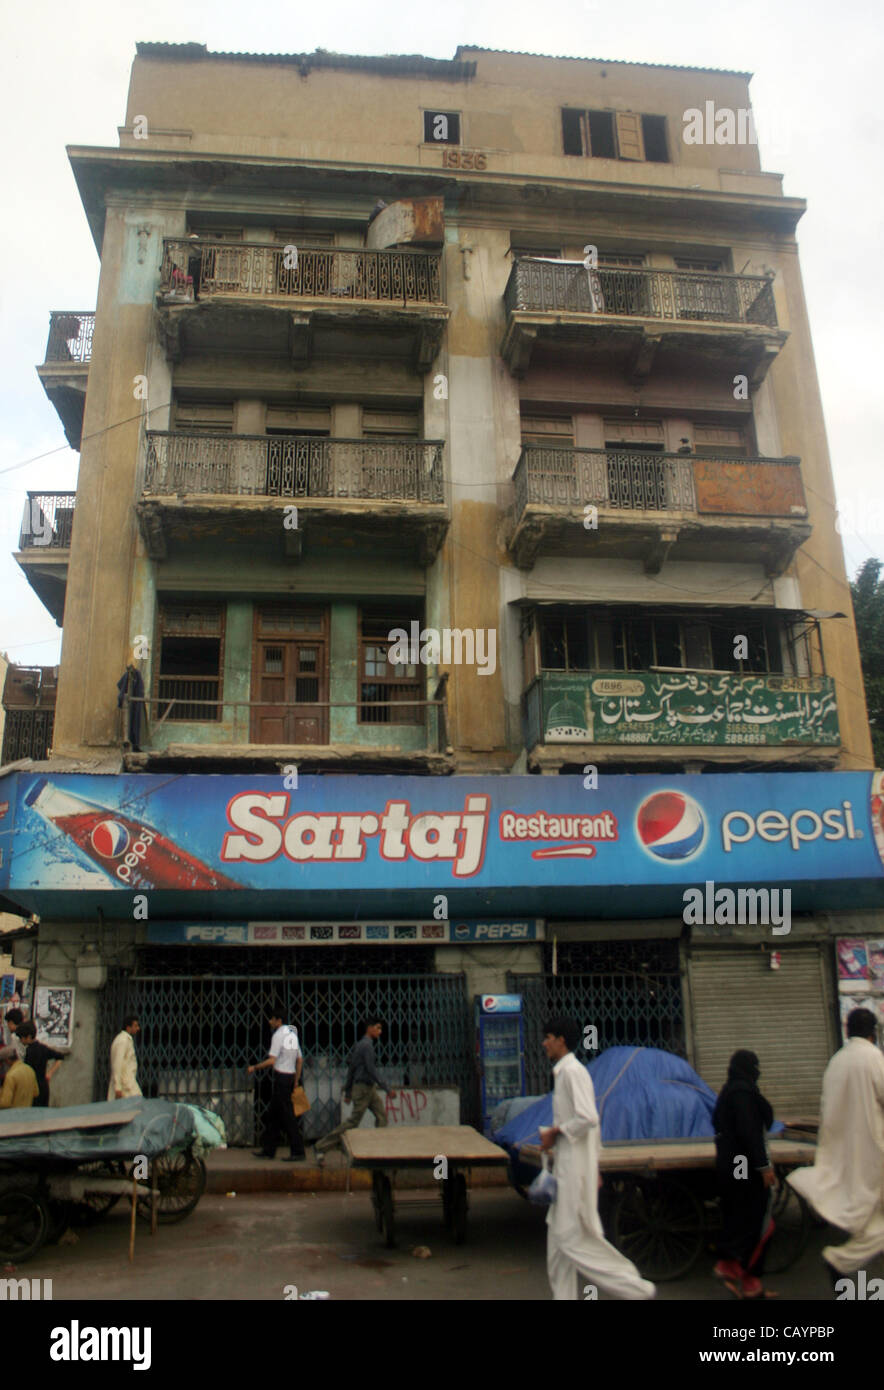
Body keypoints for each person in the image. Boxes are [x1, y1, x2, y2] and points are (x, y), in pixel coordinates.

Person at [540, 1017, 656, 1301]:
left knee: (572, 1240)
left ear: (561, 1041)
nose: (544, 1043)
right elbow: (593, 1130)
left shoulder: (572, 1073)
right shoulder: (564, 1073)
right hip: (571, 1166)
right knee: (557, 1247)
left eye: (548, 1037)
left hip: (572, 1169)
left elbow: (589, 1118)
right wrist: (595, 1164)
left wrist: (557, 1132)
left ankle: (636, 1288)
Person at [788, 1007, 884, 1287]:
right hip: (874, 1152)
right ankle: (842, 1260)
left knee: (872, 1218)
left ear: (847, 1031)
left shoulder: (837, 1062)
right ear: (872, 1033)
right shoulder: (873, 1058)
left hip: (846, 1153)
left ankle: (846, 1264)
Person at [712, 1050, 778, 1299]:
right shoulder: (742, 1092)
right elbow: (749, 1132)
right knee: (760, 1222)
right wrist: (763, 1167)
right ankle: (734, 1269)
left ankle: (746, 1279)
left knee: (741, 1215)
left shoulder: (730, 1090)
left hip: (733, 1164)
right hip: (744, 1165)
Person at [315, 1017, 396, 1162]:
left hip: (368, 1088)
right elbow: (371, 1069)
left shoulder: (362, 1045)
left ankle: (379, 1151)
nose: (380, 1031)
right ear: (369, 1028)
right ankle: (321, 1146)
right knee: (353, 1121)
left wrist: (348, 1091)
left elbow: (352, 1068)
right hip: (363, 1089)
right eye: (377, 1028)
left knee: (382, 1116)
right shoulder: (366, 1046)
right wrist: (387, 1088)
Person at [247, 1009, 305, 1161]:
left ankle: (298, 1151)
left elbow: (272, 1060)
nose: (269, 1022)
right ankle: (269, 1149)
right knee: (274, 1115)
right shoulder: (292, 1034)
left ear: (278, 1020)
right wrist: (296, 1080)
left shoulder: (278, 1035)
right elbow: (300, 1060)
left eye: (272, 1019)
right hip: (289, 1078)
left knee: (288, 1116)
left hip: (281, 1079)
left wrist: (255, 1067)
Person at [17, 1021, 66, 1107]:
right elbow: (60, 1057)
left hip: (32, 1087)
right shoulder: (43, 1048)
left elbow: (27, 1070)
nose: (21, 1040)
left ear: (28, 1037)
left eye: (22, 1038)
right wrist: (50, 1073)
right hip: (43, 1086)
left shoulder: (29, 1051)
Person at [108, 1014, 142, 1100]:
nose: (138, 1028)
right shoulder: (122, 1040)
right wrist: (118, 1087)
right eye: (135, 1026)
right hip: (125, 1085)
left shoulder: (126, 1040)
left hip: (127, 1082)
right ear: (128, 1027)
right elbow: (117, 1063)